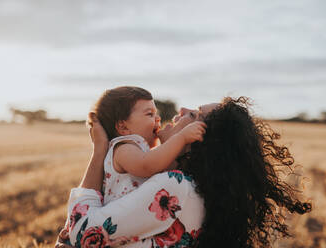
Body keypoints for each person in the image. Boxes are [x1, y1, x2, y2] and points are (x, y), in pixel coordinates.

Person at [56, 97, 311, 248]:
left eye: (193, 114)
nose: (180, 111)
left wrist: (100, 151)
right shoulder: (194, 188)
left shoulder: (175, 186)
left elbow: (81, 232)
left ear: (201, 140)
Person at [84, 86, 206, 206]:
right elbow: (147, 165)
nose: (158, 118)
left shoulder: (138, 150)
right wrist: (182, 137)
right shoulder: (123, 148)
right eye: (150, 114)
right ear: (123, 127)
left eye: (155, 113)